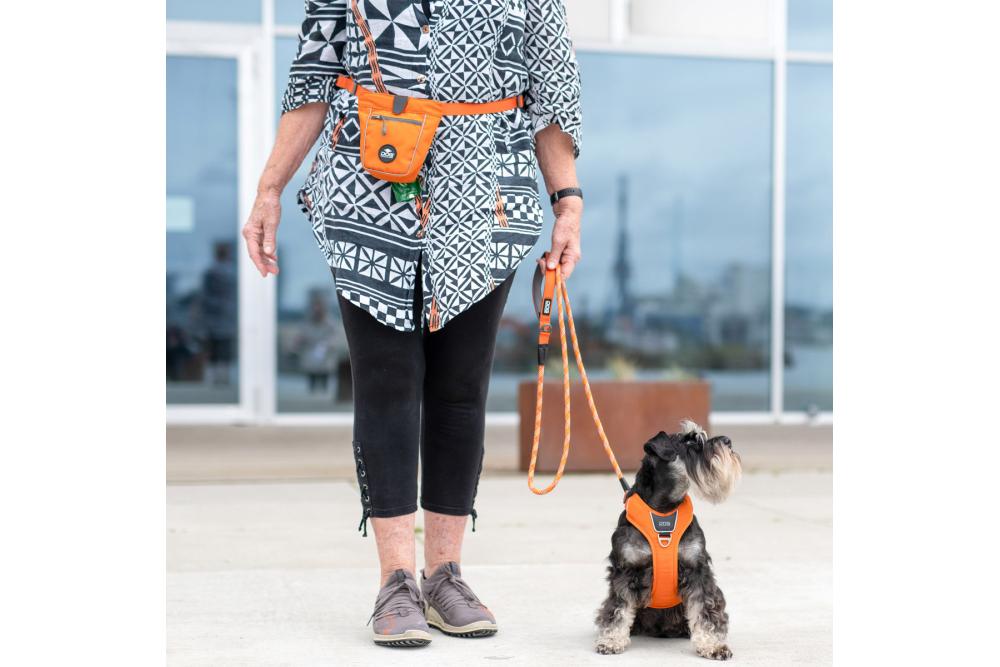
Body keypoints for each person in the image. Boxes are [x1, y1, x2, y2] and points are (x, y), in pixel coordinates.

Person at [242, 0, 584, 648]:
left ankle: (445, 575)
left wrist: (567, 199)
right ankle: (396, 580)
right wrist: (269, 189)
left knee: (460, 389)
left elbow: (551, 93)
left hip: (485, 198)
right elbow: (313, 79)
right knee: (387, 381)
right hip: (367, 191)